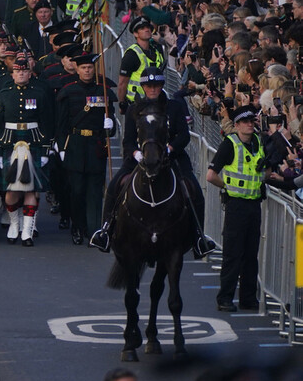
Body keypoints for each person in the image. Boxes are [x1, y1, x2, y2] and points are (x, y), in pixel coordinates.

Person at [90, 67, 216, 257]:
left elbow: (183, 136)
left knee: (195, 191)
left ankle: (199, 237)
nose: (153, 89)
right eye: (149, 86)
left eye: (156, 85)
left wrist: (169, 148)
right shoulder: (135, 109)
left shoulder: (173, 107)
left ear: (161, 86)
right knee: (115, 186)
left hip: (171, 157)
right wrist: (136, 154)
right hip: (140, 158)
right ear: (143, 87)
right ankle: (106, 230)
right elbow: (129, 140)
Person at [207, 107, 273, 312]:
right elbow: (211, 175)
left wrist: (262, 175)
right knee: (233, 254)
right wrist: (228, 187)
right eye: (244, 122)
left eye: (252, 121)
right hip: (236, 205)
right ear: (236, 125)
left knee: (251, 255)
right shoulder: (230, 144)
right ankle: (225, 298)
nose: (250, 124)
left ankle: (248, 298)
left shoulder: (258, 142)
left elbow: (267, 171)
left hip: (254, 204)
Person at [0, 53, 54, 246]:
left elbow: (46, 122)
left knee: (30, 189)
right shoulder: (4, 93)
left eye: (24, 71)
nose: (21, 74)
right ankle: (14, 224)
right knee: (11, 190)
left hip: (33, 142)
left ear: (29, 73)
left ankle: (26, 231)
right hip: (10, 143)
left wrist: (45, 150)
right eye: (18, 71)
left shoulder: (39, 93)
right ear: (13, 74)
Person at [53, 53, 116, 244]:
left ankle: (94, 230)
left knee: (95, 192)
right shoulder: (68, 91)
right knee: (77, 191)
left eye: (90, 67)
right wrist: (61, 147)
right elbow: (61, 123)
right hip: (76, 145)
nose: (87, 71)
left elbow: (111, 124)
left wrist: (110, 125)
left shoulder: (103, 91)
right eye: (83, 68)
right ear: (77, 69)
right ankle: (78, 227)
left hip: (96, 146)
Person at [117, 16, 165, 111]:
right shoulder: (131, 54)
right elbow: (122, 83)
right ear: (135, 34)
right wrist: (122, 103)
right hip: (137, 104)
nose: (147, 30)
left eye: (148, 28)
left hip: (156, 102)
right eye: (142, 28)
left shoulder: (156, 51)